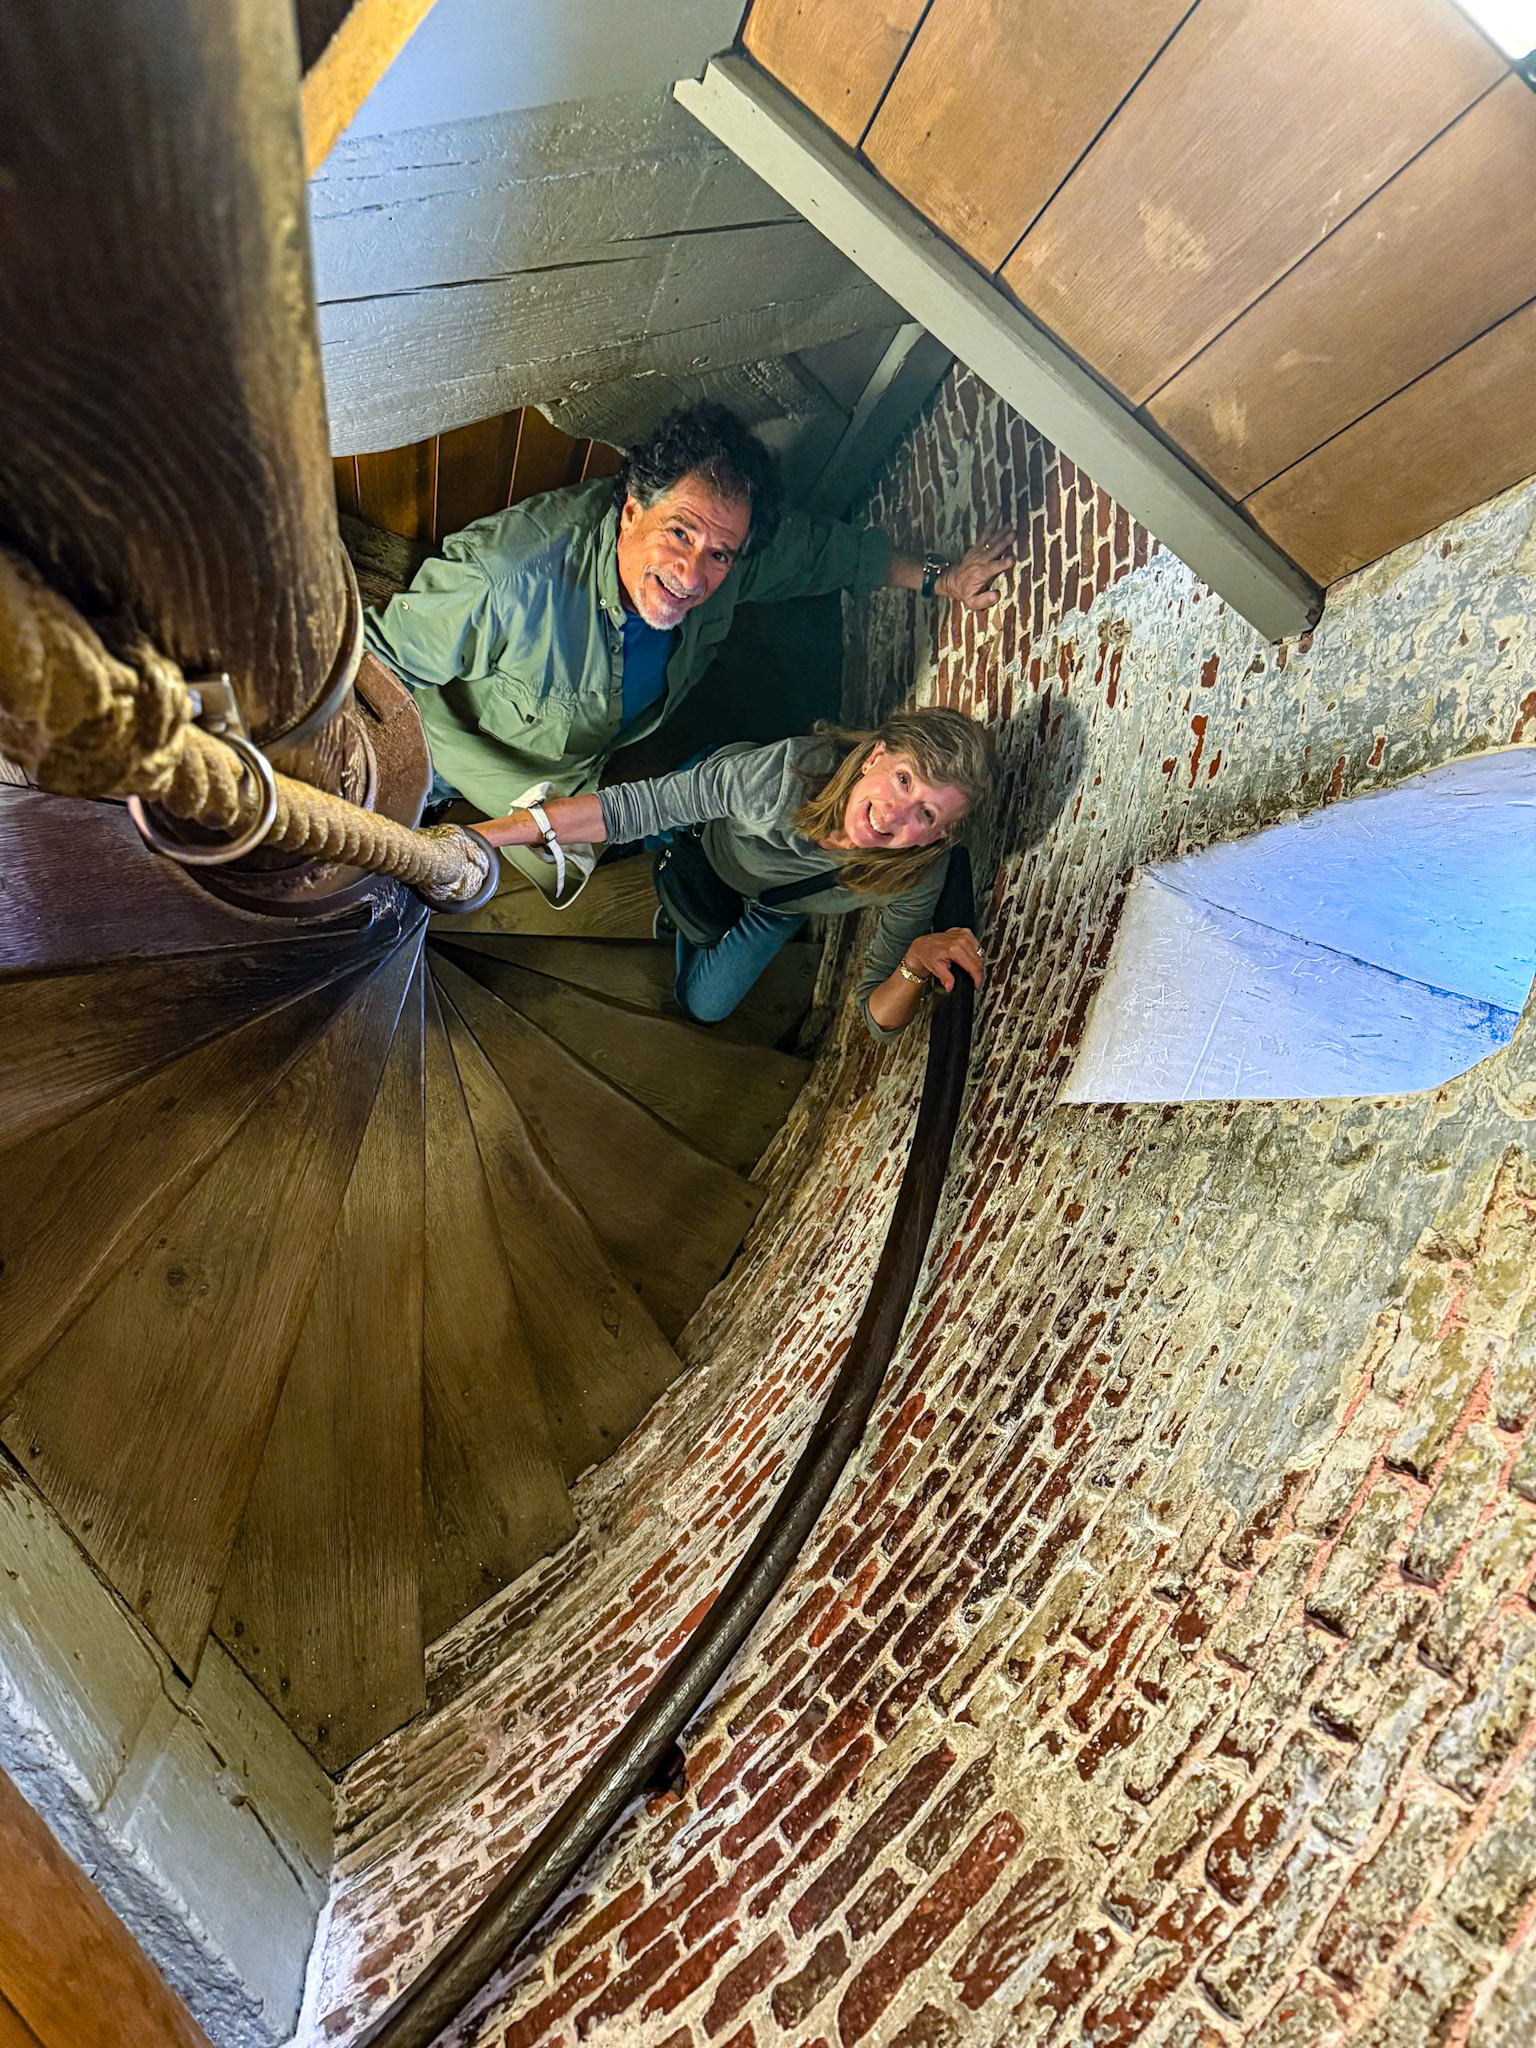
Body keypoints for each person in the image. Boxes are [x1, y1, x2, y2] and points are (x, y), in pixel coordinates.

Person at [364, 402, 1015, 899]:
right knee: (396, 814)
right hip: (451, 742)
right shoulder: (503, 579)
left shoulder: (730, 557)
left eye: (720, 554)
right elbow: (370, 672)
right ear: (630, 511)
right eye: (680, 532)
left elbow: (822, 554)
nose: (692, 575)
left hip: (575, 758)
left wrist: (940, 578)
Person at [476, 707, 995, 1041]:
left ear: (937, 837)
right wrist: (480, 840)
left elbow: (876, 1017)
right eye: (903, 780)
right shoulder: (779, 779)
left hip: (774, 903)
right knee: (649, 820)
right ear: (873, 757)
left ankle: (680, 917)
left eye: (926, 814)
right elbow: (636, 804)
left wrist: (912, 962)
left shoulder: (914, 874)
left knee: (704, 1007)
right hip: (714, 829)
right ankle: (659, 853)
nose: (897, 815)